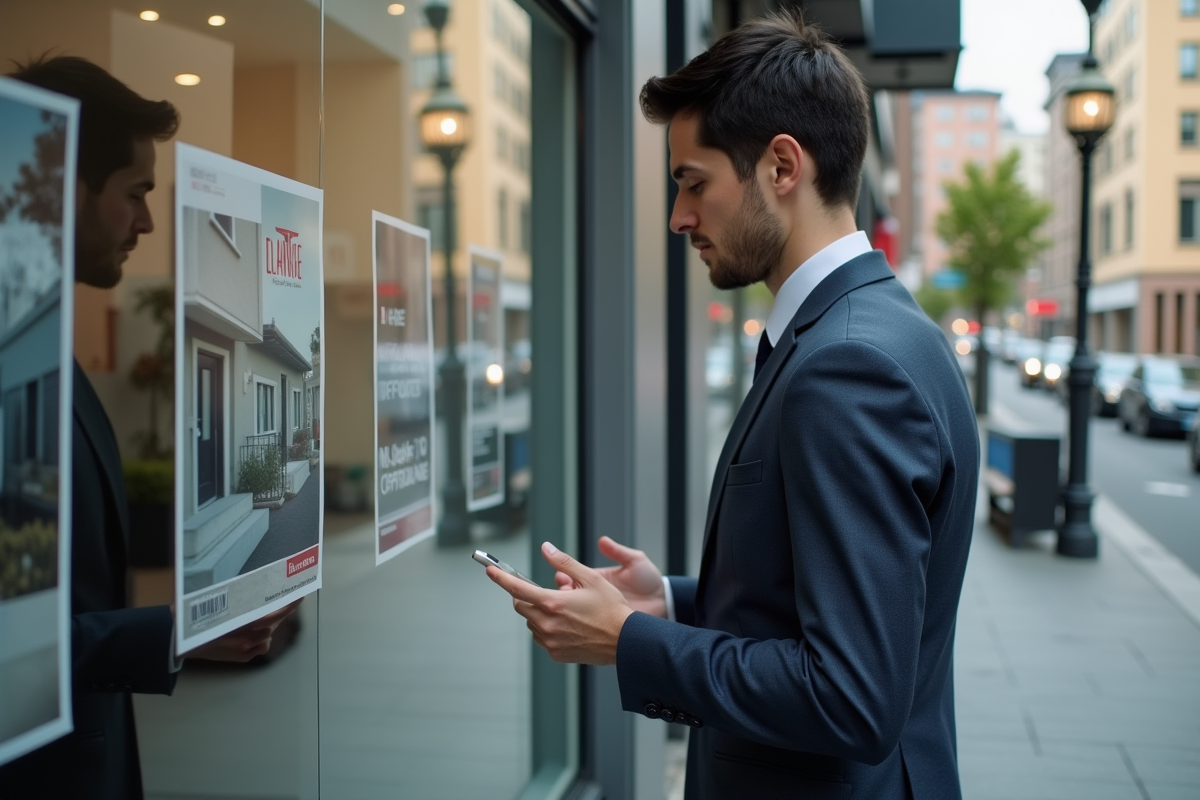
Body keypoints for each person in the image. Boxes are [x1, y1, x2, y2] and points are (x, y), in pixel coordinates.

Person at [486, 12, 979, 800]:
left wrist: (633, 641)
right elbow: (833, 603)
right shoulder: (882, 329)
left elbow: (851, 697)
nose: (680, 217)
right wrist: (677, 600)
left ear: (783, 165)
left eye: (693, 181)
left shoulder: (846, 365)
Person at [0, 56, 298, 800]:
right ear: (65, 187)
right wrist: (170, 635)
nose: (149, 222)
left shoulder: (37, 340)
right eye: (135, 193)